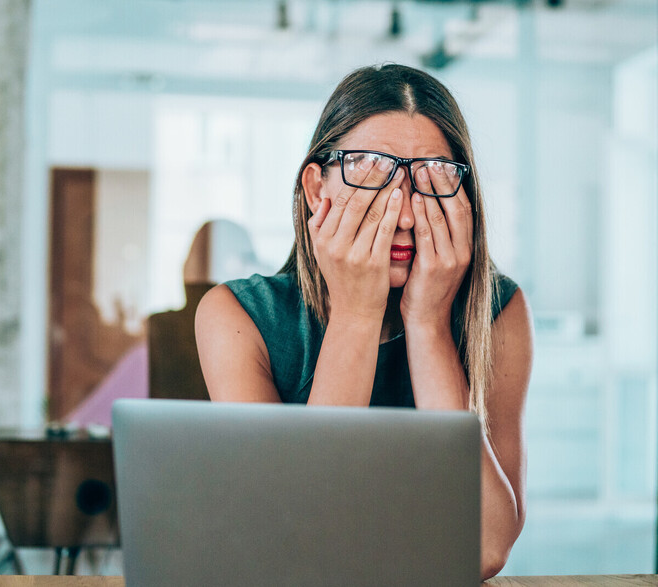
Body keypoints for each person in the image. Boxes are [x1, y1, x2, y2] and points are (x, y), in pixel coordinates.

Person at [195, 63, 533, 580]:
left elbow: (485, 548)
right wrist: (356, 312)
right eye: (371, 172)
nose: (402, 215)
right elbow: (295, 540)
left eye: (432, 178)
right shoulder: (237, 317)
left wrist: (427, 324)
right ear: (316, 188)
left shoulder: (500, 313)